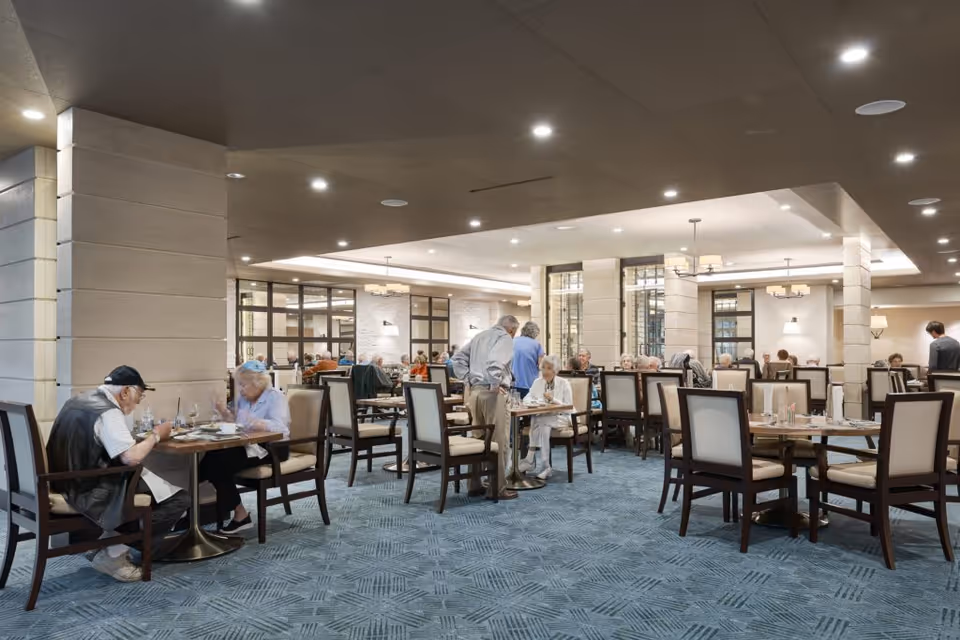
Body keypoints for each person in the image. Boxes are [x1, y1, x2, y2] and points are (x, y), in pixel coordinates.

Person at [45, 366, 190, 582]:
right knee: (179, 500)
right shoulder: (108, 412)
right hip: (89, 489)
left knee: (153, 487)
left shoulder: (78, 400)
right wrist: (156, 436)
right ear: (124, 392)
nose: (139, 401)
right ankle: (112, 552)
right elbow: (131, 457)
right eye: (139, 395)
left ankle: (104, 544)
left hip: (66, 480)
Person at [201, 360, 291, 533]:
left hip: (272, 448)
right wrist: (223, 412)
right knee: (212, 459)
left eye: (243, 385)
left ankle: (239, 514)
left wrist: (254, 422)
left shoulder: (275, 397)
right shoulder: (244, 398)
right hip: (248, 445)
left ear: (258, 382)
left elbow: (281, 428)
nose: (240, 389)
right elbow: (236, 421)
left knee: (215, 464)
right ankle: (238, 513)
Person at [451, 315, 520, 501]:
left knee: (478, 438)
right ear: (512, 330)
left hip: (474, 393)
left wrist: (468, 379)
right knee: (498, 441)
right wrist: (494, 382)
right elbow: (495, 363)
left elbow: (456, 359)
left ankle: (474, 484)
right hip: (493, 395)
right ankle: (496, 487)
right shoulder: (505, 338)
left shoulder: (479, 336)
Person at [518, 355, 572, 480]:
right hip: (544, 417)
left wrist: (553, 399)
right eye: (543, 368)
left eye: (549, 368)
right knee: (539, 420)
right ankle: (545, 466)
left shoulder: (564, 384)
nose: (545, 371)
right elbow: (527, 398)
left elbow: (569, 406)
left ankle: (530, 459)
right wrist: (536, 401)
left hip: (562, 417)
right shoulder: (538, 382)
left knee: (539, 420)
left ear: (555, 370)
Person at [513, 321, 544, 399]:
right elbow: (541, 366)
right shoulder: (537, 345)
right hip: (530, 384)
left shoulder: (512, 341)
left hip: (512, 384)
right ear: (535, 333)